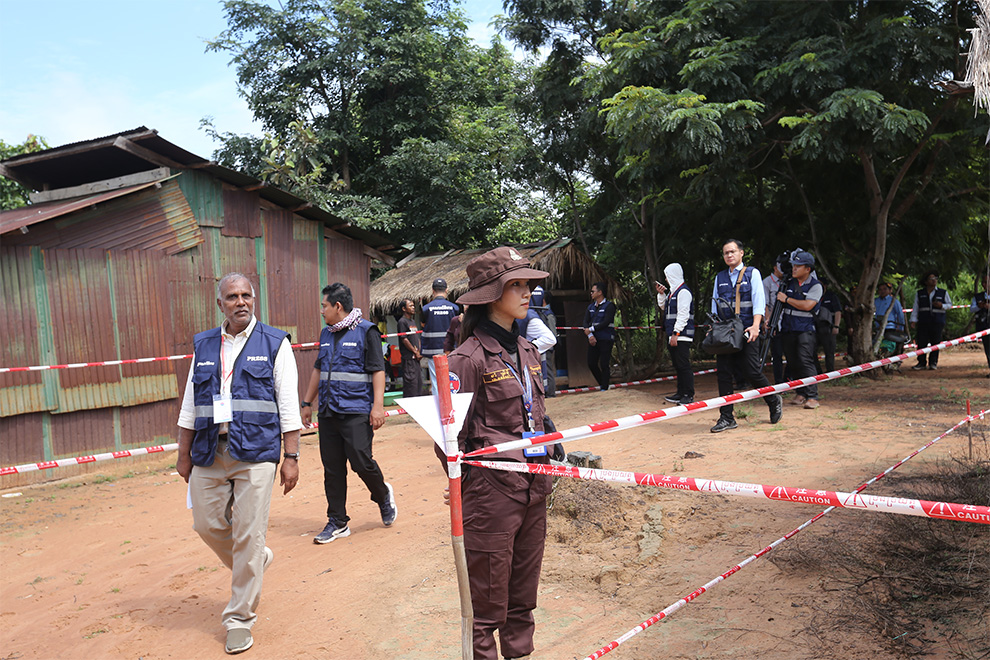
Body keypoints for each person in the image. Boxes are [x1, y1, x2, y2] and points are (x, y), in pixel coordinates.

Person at [176, 272, 302, 655]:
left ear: (254, 299)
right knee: (206, 523)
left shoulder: (275, 342)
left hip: (258, 452)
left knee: (248, 531)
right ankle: (256, 560)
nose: (241, 302)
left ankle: (239, 619)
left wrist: (292, 456)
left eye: (247, 295)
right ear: (221, 305)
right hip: (210, 449)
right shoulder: (204, 344)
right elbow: (189, 403)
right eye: (232, 296)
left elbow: (288, 404)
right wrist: (183, 453)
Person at [440, 246, 552, 660]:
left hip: (534, 488)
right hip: (492, 498)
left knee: (523, 600)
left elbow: (537, 415)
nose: (527, 294)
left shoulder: (528, 352)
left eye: (528, 285)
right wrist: (473, 487)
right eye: (516, 286)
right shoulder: (465, 359)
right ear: (490, 296)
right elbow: (448, 440)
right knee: (486, 610)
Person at [301, 283, 397, 545]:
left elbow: (378, 370)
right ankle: (338, 521)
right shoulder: (326, 333)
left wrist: (378, 407)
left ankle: (382, 496)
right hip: (329, 411)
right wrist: (307, 402)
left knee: (361, 461)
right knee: (332, 468)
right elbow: (318, 369)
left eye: (324, 306)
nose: (321, 311)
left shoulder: (367, 331)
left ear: (338, 307)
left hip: (356, 410)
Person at [709, 239, 783, 433]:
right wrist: (715, 328)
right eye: (726, 253)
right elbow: (714, 305)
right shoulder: (720, 277)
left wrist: (756, 326)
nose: (729, 255)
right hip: (726, 333)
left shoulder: (752, 274)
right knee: (724, 373)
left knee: (751, 371)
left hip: (748, 329)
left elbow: (759, 301)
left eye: (732, 251)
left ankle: (773, 399)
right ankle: (726, 417)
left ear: (741, 253)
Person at [776, 251, 823, 409]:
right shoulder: (788, 282)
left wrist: (787, 299)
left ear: (808, 269)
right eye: (793, 266)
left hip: (805, 329)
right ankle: (800, 392)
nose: (794, 269)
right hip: (788, 328)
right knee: (793, 361)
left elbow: (808, 305)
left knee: (805, 360)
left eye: (798, 266)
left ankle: (812, 396)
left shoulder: (815, 285)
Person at [656, 263, 695, 404]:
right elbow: (663, 307)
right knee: (678, 365)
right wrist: (661, 294)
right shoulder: (673, 292)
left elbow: (683, 314)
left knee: (684, 365)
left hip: (681, 335)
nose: (666, 280)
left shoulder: (683, 292)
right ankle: (681, 392)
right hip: (674, 334)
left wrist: (676, 333)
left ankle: (688, 394)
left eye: (667, 276)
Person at [518, 287, 557, 397]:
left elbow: (551, 337)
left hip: (542, 350)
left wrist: (528, 348)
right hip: (538, 352)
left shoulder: (533, 316)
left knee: (546, 373)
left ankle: (550, 393)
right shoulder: (535, 314)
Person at [910, 271, 952, 370]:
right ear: (926, 281)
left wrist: (941, 305)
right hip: (923, 321)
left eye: (935, 278)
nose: (934, 281)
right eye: (931, 279)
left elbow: (949, 305)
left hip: (937, 321)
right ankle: (921, 362)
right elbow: (916, 307)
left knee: (936, 342)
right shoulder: (920, 293)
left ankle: (933, 363)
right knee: (921, 342)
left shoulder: (943, 292)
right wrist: (913, 320)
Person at [583, 282, 616, 391]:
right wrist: (590, 336)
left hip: (606, 338)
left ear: (600, 292)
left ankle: (604, 388)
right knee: (591, 363)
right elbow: (585, 322)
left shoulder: (610, 306)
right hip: (594, 339)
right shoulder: (591, 307)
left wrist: (591, 330)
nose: (591, 293)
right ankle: (603, 383)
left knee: (604, 363)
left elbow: (606, 321)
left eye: (593, 291)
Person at [762, 256, 789, 383]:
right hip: (775, 322)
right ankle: (779, 381)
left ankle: (789, 379)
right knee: (777, 353)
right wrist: (768, 322)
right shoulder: (767, 282)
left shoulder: (790, 281)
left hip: (788, 321)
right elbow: (765, 304)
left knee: (791, 352)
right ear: (775, 267)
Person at [420, 278, 459, 358]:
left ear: (433, 290)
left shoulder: (426, 309)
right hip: (450, 351)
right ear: (446, 290)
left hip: (432, 351)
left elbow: (423, 324)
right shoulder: (454, 308)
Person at [814, 280, 843, 373]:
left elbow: (838, 312)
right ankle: (818, 372)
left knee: (829, 351)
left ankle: (830, 372)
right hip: (815, 328)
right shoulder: (813, 295)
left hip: (828, 328)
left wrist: (836, 326)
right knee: (812, 350)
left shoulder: (831, 296)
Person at [396, 298, 423, 397]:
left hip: (416, 359)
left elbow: (416, 337)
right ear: (404, 308)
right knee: (411, 384)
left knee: (418, 383)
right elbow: (404, 339)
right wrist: (414, 352)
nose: (413, 308)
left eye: (413, 305)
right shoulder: (402, 322)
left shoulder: (412, 321)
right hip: (409, 359)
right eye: (410, 306)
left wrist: (419, 351)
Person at [874, 282, 907, 355]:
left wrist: (901, 327)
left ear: (890, 290)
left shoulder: (893, 301)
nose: (882, 291)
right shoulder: (876, 301)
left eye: (885, 289)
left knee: (889, 345)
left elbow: (900, 314)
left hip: (890, 327)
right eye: (880, 289)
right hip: (878, 327)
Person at [972, 273, 990, 377]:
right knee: (988, 348)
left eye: (987, 282)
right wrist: (980, 306)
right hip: (984, 326)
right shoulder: (978, 297)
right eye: (983, 282)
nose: (985, 284)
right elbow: (972, 309)